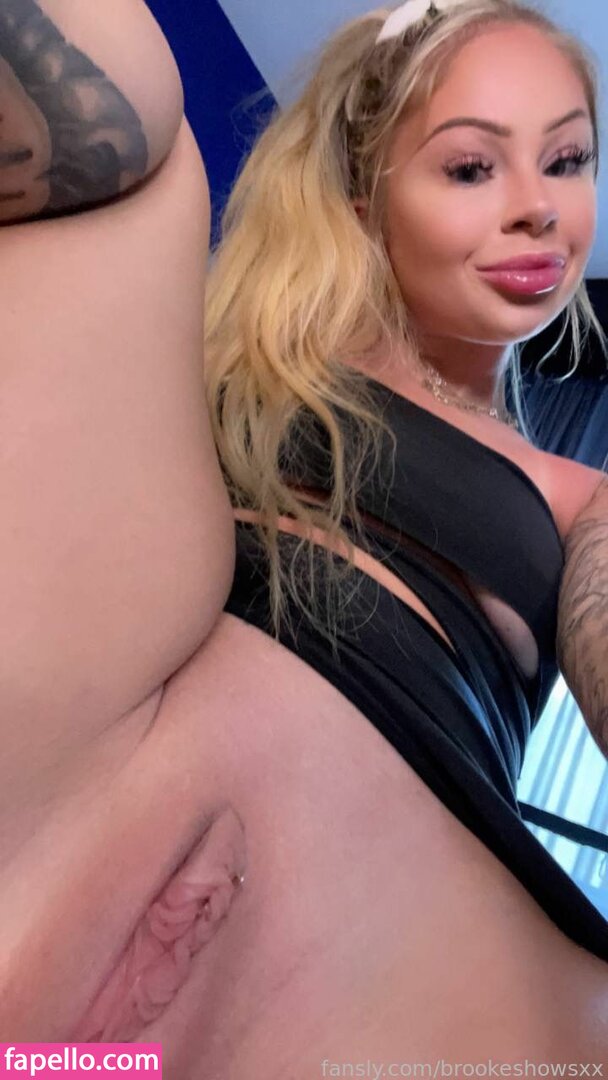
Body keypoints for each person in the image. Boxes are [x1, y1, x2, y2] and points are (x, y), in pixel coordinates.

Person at [1, 0, 608, 1073]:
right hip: (55, 791)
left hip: (393, 972)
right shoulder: (201, 366)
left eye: (566, 161)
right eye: (471, 167)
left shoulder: (577, 496)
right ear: (366, 198)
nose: (536, 208)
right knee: (133, 137)